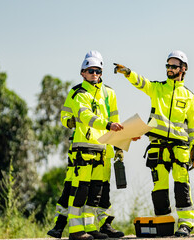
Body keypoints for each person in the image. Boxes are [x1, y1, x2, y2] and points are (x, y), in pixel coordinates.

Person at [114, 50, 194, 237]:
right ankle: (164, 222)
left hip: (180, 148)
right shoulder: (157, 88)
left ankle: (186, 224)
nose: (169, 69)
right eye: (167, 66)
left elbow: (193, 127)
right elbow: (141, 82)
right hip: (157, 147)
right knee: (159, 188)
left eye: (173, 66)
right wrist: (128, 72)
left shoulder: (189, 97)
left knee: (181, 186)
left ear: (183, 69)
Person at [47, 51, 125, 239]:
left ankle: (91, 228)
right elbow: (84, 116)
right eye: (90, 71)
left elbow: (116, 120)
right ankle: (75, 230)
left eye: (98, 71)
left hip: (103, 150)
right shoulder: (77, 93)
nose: (94, 74)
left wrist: (119, 146)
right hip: (83, 147)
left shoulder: (109, 93)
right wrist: (72, 122)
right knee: (79, 189)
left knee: (96, 192)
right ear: (82, 72)